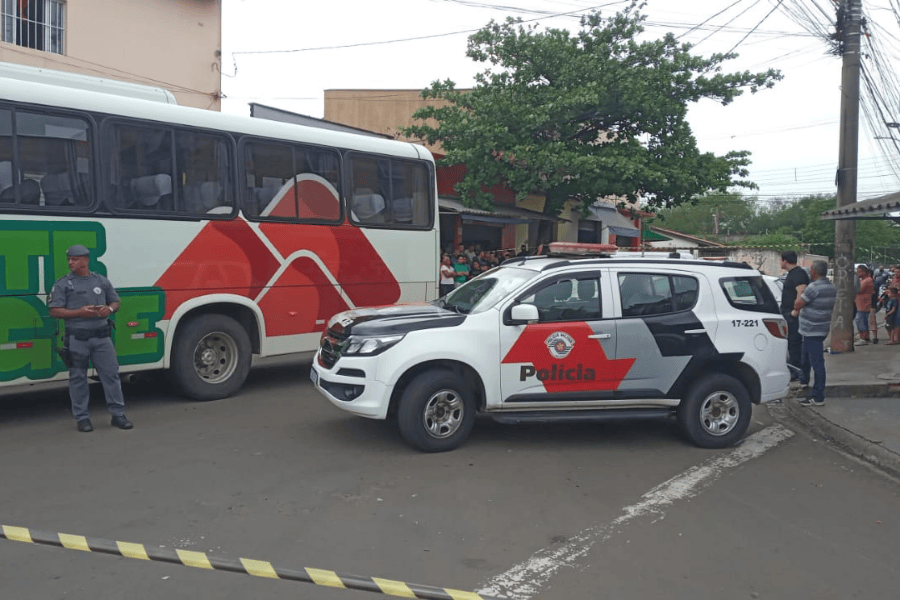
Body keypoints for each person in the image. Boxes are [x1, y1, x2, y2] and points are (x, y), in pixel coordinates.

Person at [48, 245, 133, 432]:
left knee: (111, 376)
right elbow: (54, 311)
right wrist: (79, 312)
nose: (71, 262)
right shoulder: (63, 284)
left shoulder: (100, 280)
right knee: (78, 378)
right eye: (69, 259)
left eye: (75, 259)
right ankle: (82, 418)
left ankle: (118, 415)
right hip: (77, 339)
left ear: (85, 260)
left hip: (102, 338)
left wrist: (108, 309)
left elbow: (115, 302)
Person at [792, 260, 837, 407]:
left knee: (817, 363)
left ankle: (818, 396)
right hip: (821, 327)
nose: (809, 271)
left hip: (812, 329)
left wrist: (800, 292)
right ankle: (804, 382)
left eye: (811, 269)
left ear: (814, 271)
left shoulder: (813, 287)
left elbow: (798, 304)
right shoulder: (831, 286)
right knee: (806, 356)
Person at [780, 251, 810, 372]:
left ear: (785, 261)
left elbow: (801, 292)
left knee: (794, 343)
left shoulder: (798, 274)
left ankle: (796, 370)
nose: (780, 263)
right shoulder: (792, 274)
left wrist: (795, 311)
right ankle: (794, 368)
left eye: (781, 260)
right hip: (788, 313)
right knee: (791, 343)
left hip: (793, 315)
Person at [854, 264, 874, 345]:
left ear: (864, 272)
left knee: (860, 320)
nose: (858, 273)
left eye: (859, 272)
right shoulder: (862, 280)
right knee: (861, 320)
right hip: (860, 304)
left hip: (864, 304)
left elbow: (858, 289)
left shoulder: (867, 280)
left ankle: (863, 338)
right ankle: (865, 337)